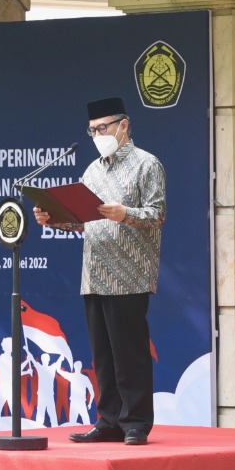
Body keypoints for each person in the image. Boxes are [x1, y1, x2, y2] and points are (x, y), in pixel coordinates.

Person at [33, 96, 166, 445]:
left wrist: (126, 213)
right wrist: (53, 219)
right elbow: (82, 221)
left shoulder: (146, 165)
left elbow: (157, 215)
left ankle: (135, 422)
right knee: (103, 355)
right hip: (94, 273)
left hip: (129, 273)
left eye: (102, 128)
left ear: (124, 125)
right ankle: (109, 420)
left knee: (130, 353)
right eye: (92, 130)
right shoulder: (92, 171)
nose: (97, 135)